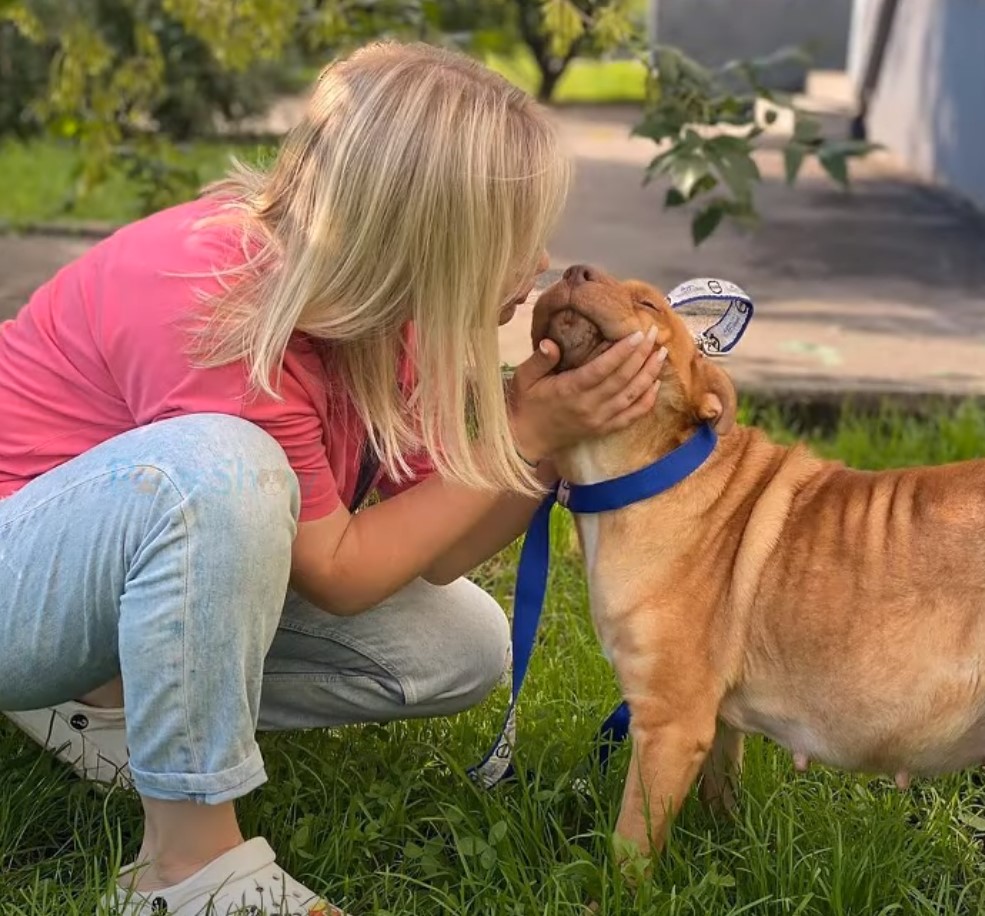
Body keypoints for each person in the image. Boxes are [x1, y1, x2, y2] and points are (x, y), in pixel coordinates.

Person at [0, 41, 666, 915]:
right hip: (21, 585)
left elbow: (434, 549)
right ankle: (188, 871)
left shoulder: (387, 313)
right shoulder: (215, 296)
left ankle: (99, 705)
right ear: (425, 233)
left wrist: (543, 444)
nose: (538, 261)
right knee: (222, 471)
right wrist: (525, 425)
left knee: (461, 645)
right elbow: (341, 573)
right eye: (511, 239)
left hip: (109, 589)